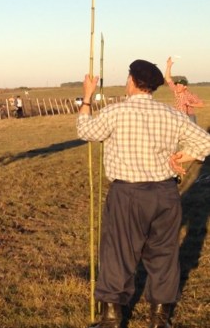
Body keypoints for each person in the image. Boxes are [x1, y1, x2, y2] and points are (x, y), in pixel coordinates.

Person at [77, 59, 210, 328]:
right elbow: (205, 142)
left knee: (118, 253)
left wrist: (88, 98)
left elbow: (85, 130)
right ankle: (160, 319)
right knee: (164, 254)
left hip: (127, 194)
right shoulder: (172, 115)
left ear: (132, 82)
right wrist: (186, 156)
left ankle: (112, 318)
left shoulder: (116, 112)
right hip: (165, 193)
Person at [165, 57, 204, 124]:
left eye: (180, 85)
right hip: (178, 115)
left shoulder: (190, 95)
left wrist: (190, 104)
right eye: (177, 84)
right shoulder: (175, 90)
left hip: (189, 116)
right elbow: (168, 78)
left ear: (185, 87)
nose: (178, 86)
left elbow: (201, 104)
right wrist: (169, 66)